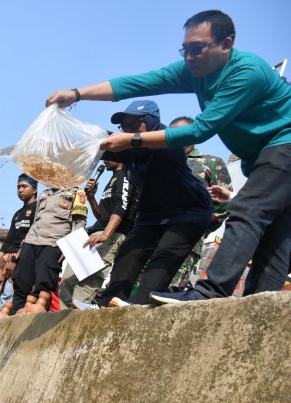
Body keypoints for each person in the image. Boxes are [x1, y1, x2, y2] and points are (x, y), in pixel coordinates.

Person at [46, 9, 291, 304]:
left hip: (284, 144)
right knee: (276, 236)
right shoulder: (194, 71)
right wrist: (76, 94)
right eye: (184, 49)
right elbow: (140, 83)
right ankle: (259, 306)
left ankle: (210, 291)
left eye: (197, 48)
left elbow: (199, 130)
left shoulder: (245, 72)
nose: (188, 57)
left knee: (249, 210)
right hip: (263, 156)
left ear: (226, 44)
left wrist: (133, 140)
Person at [89, 101, 212, 307]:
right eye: (124, 126)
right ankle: (108, 303)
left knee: (161, 262)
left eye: (135, 124)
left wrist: (124, 140)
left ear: (151, 121)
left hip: (188, 212)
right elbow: (99, 143)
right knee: (128, 255)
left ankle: (139, 306)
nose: (128, 130)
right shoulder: (129, 148)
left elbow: (133, 144)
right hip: (150, 215)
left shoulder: (168, 140)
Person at [167, 116, 233, 290]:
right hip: (153, 231)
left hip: (186, 237)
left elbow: (223, 203)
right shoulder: (162, 162)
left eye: (181, 134)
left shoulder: (211, 162)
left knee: (171, 285)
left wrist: (199, 223)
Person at [58, 160, 134, 308]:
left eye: (108, 156)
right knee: (67, 281)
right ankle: (64, 319)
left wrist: (106, 235)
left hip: (111, 235)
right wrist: (92, 197)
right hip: (97, 233)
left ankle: (77, 320)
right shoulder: (113, 179)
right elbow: (103, 216)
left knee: (87, 284)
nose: (104, 160)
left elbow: (121, 207)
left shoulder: (125, 175)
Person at [11, 183, 88, 313]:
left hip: (53, 242)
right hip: (31, 241)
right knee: (20, 279)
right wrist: (23, 245)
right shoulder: (44, 193)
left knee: (44, 283)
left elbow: (79, 222)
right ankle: (14, 314)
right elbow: (36, 220)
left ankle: (37, 318)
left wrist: (70, 247)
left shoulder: (77, 193)